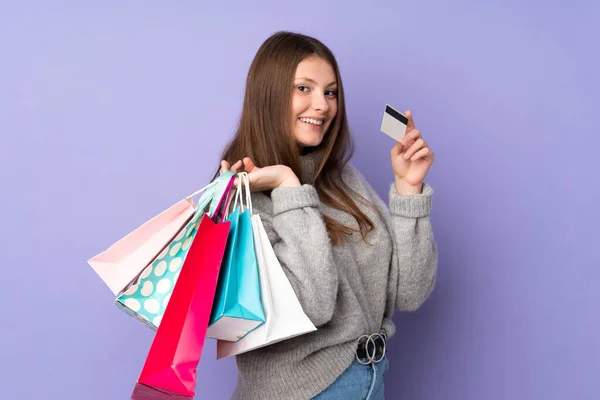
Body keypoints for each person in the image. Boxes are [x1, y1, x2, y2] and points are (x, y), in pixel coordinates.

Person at [217, 31, 438, 400]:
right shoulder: (240, 198)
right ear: (269, 94)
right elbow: (313, 308)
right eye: (304, 88)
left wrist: (408, 190)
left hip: (371, 381)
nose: (321, 105)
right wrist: (288, 188)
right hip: (300, 392)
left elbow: (409, 293)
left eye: (330, 92)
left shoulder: (342, 179)